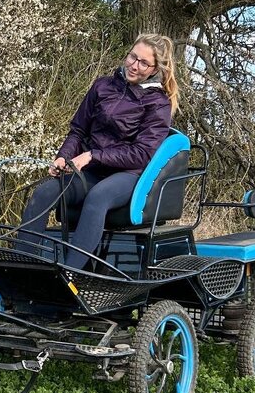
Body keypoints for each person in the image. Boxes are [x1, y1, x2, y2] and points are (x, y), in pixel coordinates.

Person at [18, 34, 179, 269]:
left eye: (144, 63)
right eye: (133, 57)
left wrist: (93, 155)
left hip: (129, 175)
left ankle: (71, 272)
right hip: (90, 171)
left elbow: (143, 153)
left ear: (155, 69)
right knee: (44, 192)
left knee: (98, 197)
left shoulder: (158, 103)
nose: (134, 65)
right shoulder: (103, 85)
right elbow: (78, 130)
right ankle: (22, 266)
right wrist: (63, 156)